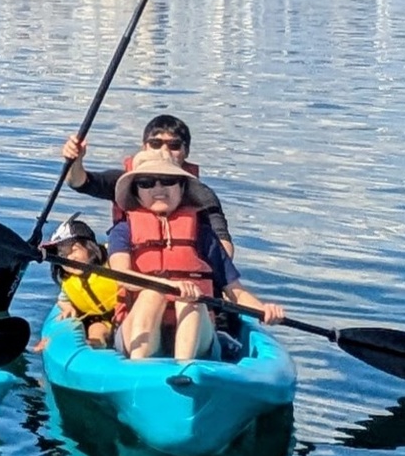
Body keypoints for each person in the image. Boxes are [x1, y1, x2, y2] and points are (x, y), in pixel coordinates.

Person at [105, 150, 282, 362]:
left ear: (181, 188)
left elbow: (235, 292)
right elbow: (122, 275)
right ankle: (139, 367)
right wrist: (165, 285)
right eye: (146, 182)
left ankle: (184, 369)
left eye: (168, 180)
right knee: (152, 294)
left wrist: (264, 310)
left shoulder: (203, 234)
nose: (158, 189)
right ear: (136, 192)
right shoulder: (123, 231)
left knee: (191, 299)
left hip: (197, 339)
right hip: (135, 333)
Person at [59, 113, 234, 254]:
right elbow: (78, 182)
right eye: (156, 144)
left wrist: (216, 277)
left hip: (185, 284)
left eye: (174, 145)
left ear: (185, 152)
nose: (164, 151)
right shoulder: (124, 182)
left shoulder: (201, 194)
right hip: (130, 267)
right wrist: (75, 160)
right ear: (144, 148)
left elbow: (223, 242)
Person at [43, 216, 122, 349]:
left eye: (74, 250)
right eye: (62, 255)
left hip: (124, 312)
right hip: (99, 319)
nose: (70, 258)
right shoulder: (68, 280)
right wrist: (67, 307)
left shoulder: (113, 261)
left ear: (90, 247)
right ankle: (96, 346)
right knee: (96, 331)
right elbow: (63, 299)